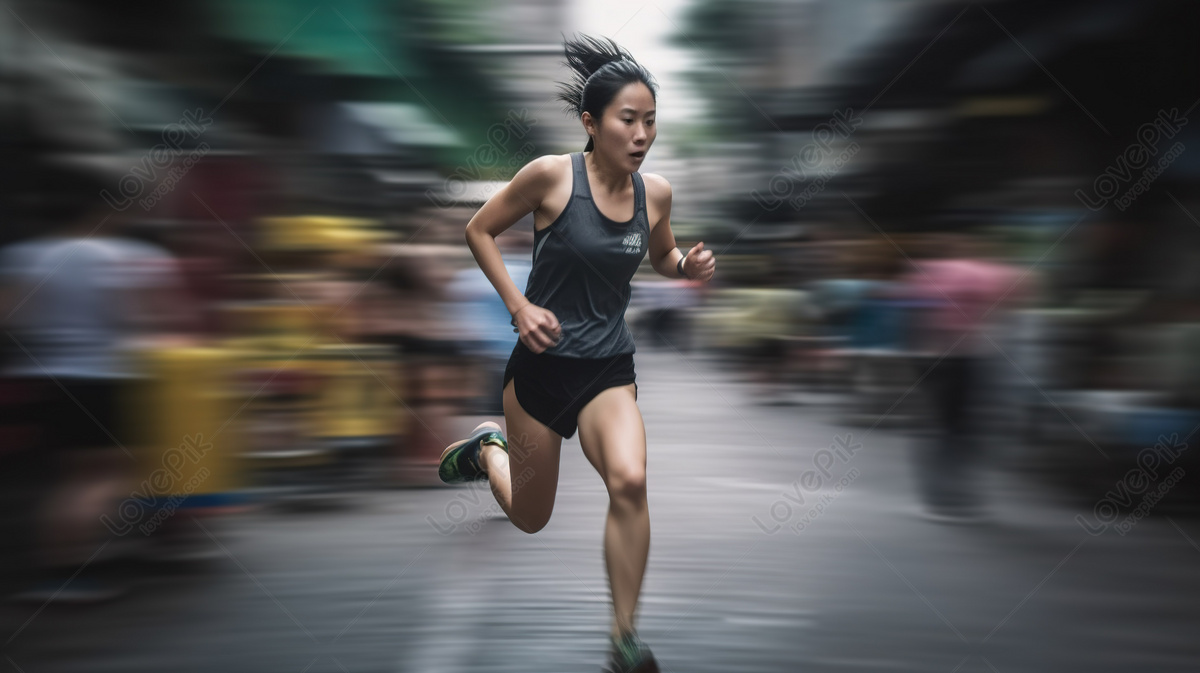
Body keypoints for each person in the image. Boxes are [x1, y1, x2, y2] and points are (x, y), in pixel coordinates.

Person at [437, 35, 715, 673]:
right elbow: (477, 229)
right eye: (628, 119)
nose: (642, 133)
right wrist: (518, 305)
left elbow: (662, 255)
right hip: (541, 370)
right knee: (532, 518)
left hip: (608, 368)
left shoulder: (657, 194)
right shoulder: (549, 177)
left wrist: (686, 267)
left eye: (650, 120)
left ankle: (623, 638)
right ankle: (487, 449)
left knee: (632, 481)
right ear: (592, 124)